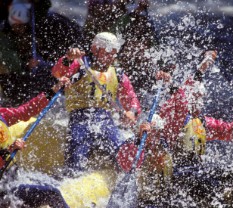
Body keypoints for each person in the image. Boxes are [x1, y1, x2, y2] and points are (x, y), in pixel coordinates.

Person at [116, 50, 233, 207]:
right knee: (202, 184)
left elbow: (232, 133)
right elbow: (181, 96)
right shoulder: (171, 118)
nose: (198, 102)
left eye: (201, 99)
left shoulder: (203, 123)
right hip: (176, 180)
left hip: (197, 175)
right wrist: (198, 70)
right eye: (195, 98)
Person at [51, 32, 142, 173]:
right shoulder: (79, 64)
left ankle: (125, 176)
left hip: (106, 120)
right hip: (80, 118)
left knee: (124, 151)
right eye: (106, 52)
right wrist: (68, 58)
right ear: (94, 49)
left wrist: (132, 112)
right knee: (76, 152)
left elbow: (131, 98)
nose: (110, 57)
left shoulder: (117, 73)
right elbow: (58, 72)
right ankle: (72, 177)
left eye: (113, 53)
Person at [0, 77, 70, 208]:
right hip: (3, 190)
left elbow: (26, 111)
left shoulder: (2, 115)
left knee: (51, 191)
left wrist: (54, 90)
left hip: (11, 181)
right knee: (51, 194)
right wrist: (8, 150)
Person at [0, 0, 83, 106]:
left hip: (45, 71)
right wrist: (23, 65)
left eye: (21, 27)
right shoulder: (5, 34)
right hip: (20, 75)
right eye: (15, 27)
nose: (18, 30)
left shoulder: (45, 24)